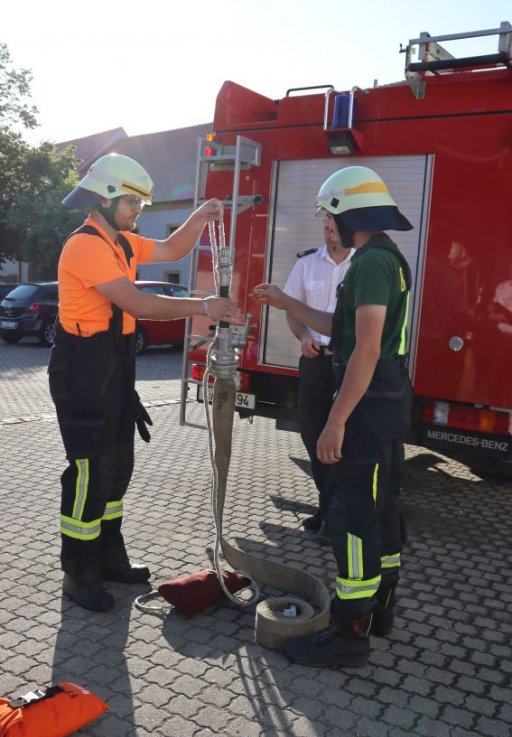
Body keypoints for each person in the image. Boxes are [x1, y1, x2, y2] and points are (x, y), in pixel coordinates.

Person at [49, 153, 238, 612]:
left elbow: (174, 250)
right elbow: (140, 304)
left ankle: (109, 557)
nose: (139, 212)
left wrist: (200, 215)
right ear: (108, 196)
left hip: (113, 371)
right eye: (134, 203)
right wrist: (203, 306)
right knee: (90, 474)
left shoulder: (123, 242)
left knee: (117, 470)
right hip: (84, 373)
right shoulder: (86, 246)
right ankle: (79, 571)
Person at [254, 165, 413, 668]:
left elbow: (363, 350)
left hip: (366, 406)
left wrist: (336, 419)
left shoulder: (368, 264)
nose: (326, 221)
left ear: (348, 212)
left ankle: (349, 634)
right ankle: (380, 611)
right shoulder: (385, 257)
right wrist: (285, 301)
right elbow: (340, 329)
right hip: (387, 399)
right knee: (383, 509)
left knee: (352, 516)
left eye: (329, 212)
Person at [283, 214, 352, 536]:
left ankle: (337, 515)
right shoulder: (306, 264)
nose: (329, 234)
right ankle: (326, 506)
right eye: (326, 228)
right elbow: (292, 310)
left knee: (344, 439)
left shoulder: (362, 265)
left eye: (334, 228)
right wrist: (303, 337)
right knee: (313, 434)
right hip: (315, 361)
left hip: (348, 364)